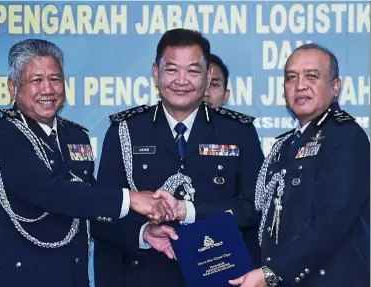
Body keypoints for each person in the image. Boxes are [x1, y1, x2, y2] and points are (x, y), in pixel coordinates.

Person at [0, 39, 177, 287]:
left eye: (55, 79)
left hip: (73, 278)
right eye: (36, 80)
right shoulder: (5, 135)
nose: (48, 89)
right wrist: (130, 198)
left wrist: (142, 233)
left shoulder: (75, 136)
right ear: (13, 87)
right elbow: (52, 192)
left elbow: (90, 206)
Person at [94, 28, 264, 287]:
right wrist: (143, 233)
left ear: (208, 78)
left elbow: (255, 206)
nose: (181, 80)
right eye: (172, 69)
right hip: (145, 277)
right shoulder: (126, 130)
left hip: (221, 277)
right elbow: (102, 213)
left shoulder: (238, 132)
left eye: (193, 71)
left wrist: (189, 211)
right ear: (155, 73)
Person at [229, 43, 370, 287]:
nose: (300, 85)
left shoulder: (346, 136)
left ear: (335, 87)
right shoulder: (284, 146)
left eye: (312, 76)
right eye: (291, 77)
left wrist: (271, 273)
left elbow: (331, 223)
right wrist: (184, 210)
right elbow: (251, 207)